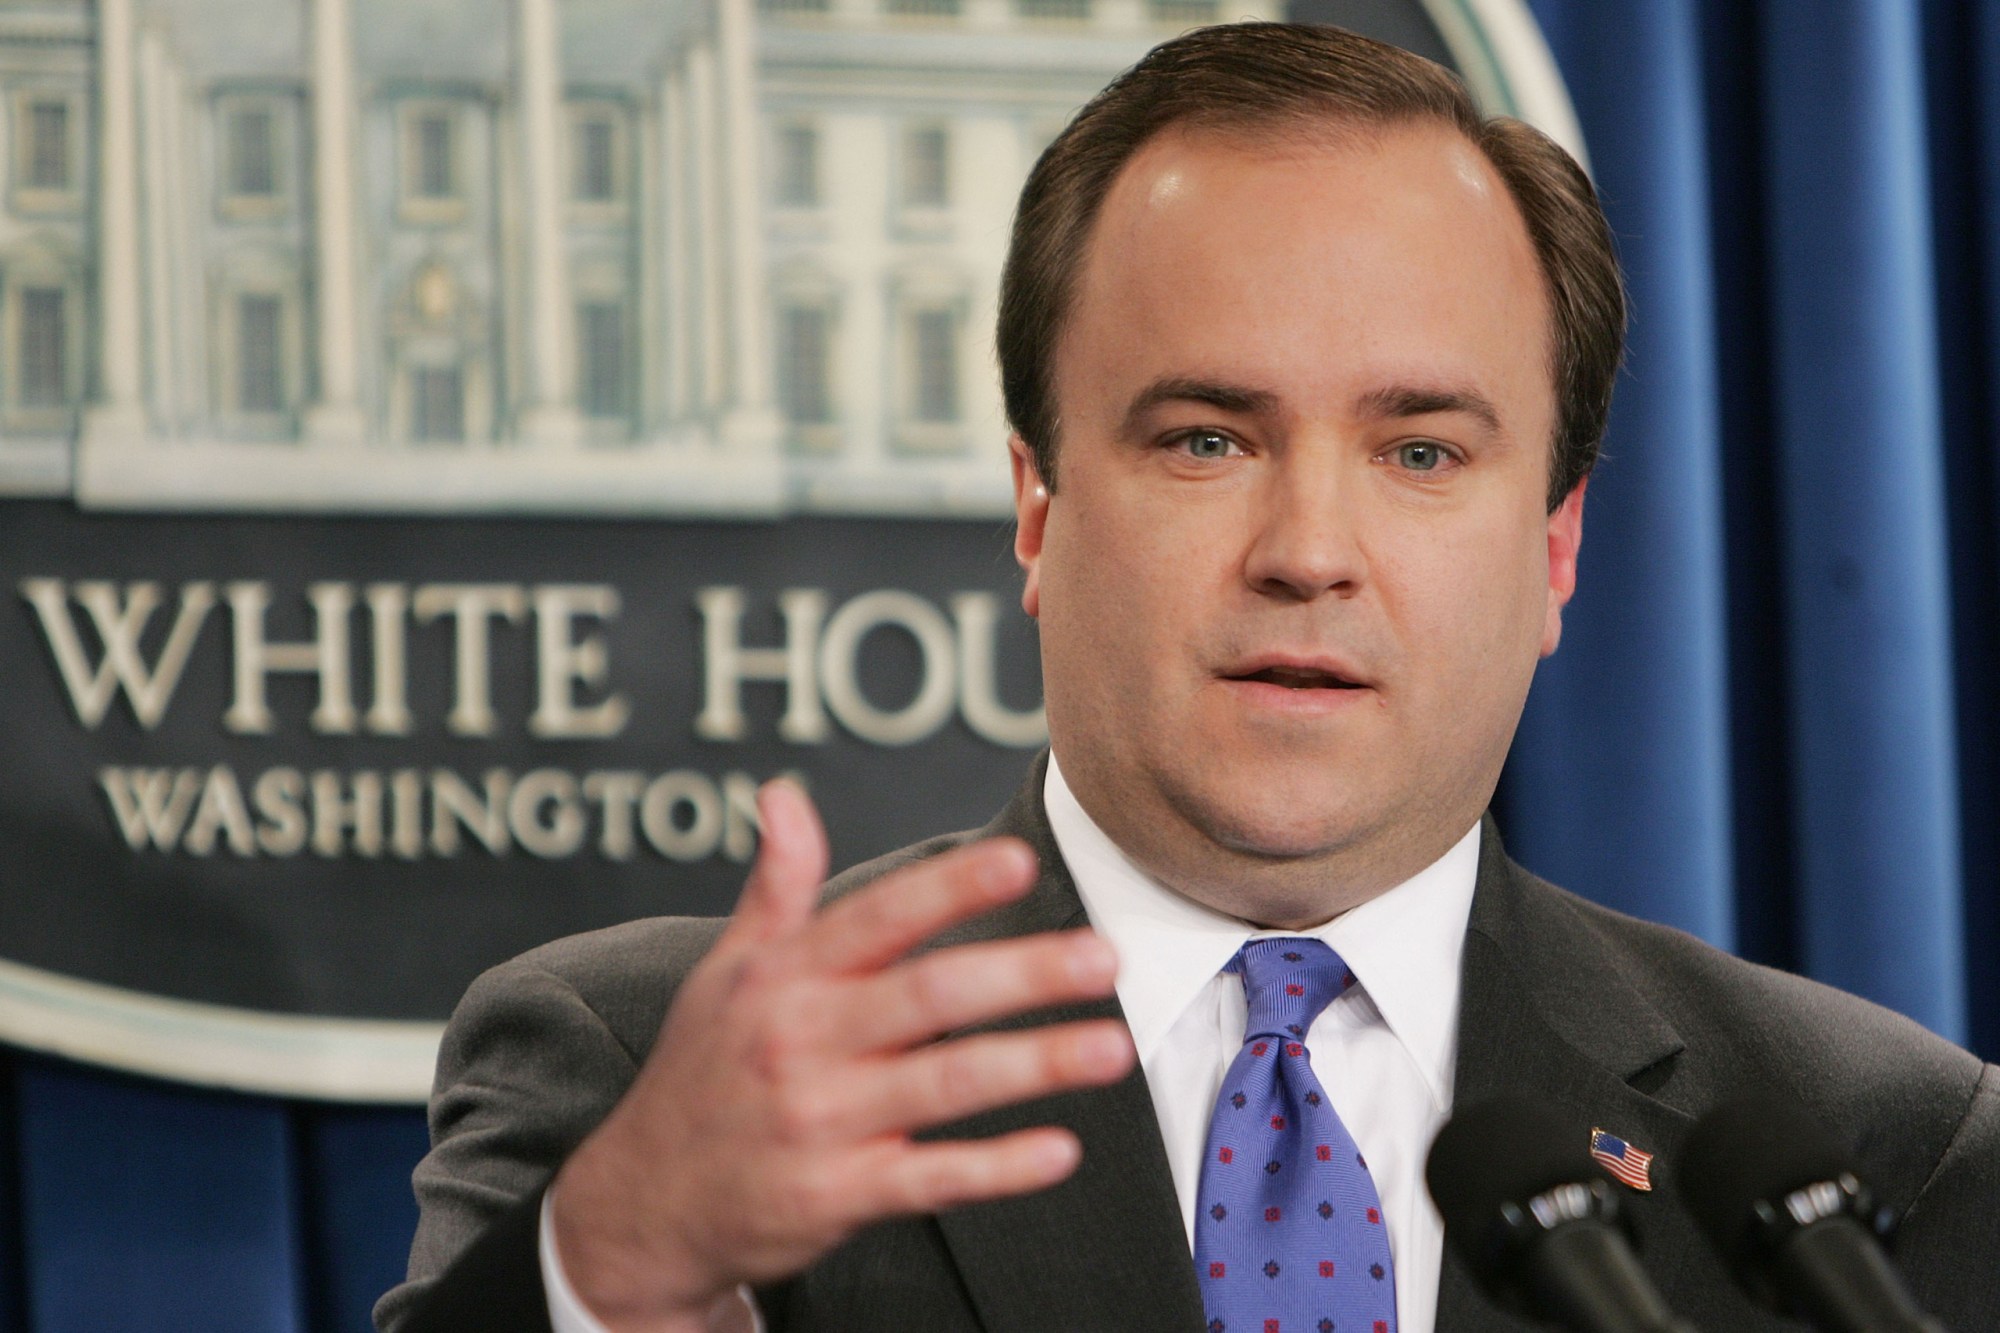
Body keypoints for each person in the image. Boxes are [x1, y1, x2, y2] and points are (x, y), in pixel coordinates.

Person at [377, 23, 2000, 1333]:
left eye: (1420, 449)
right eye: (1207, 438)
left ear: (1559, 548)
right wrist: (610, 1269)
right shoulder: (652, 1071)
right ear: (1039, 501)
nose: (1309, 547)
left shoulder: (1873, 1153)